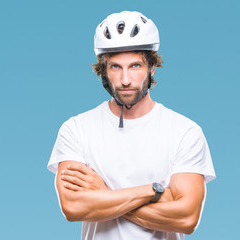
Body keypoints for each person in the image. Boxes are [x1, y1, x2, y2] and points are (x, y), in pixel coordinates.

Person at [47, 11, 216, 240]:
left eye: (135, 66)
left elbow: (187, 219)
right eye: (116, 67)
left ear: (152, 67)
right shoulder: (76, 129)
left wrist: (104, 195)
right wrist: (155, 192)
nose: (125, 80)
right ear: (104, 72)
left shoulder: (184, 131)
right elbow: (73, 207)